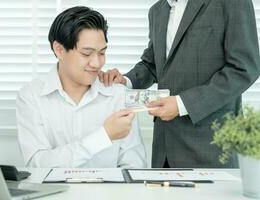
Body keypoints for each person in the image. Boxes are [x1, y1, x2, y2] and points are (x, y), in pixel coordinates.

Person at [99, 0, 260, 168]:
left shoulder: (232, 3)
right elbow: (153, 64)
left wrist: (182, 104)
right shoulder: (157, 10)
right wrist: (126, 80)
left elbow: (244, 68)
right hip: (164, 152)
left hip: (210, 149)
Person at [16, 6, 147, 168]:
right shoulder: (31, 96)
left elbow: (134, 166)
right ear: (59, 50)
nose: (97, 63)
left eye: (102, 53)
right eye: (86, 53)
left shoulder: (118, 95)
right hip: (54, 194)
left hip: (109, 193)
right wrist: (104, 136)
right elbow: (37, 165)